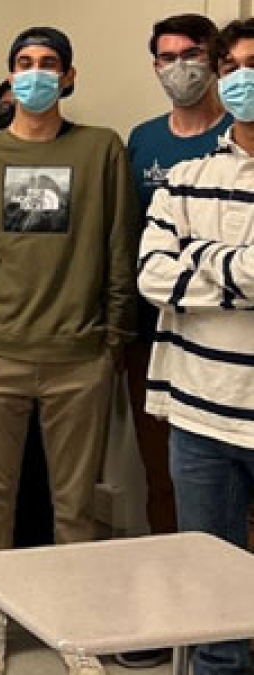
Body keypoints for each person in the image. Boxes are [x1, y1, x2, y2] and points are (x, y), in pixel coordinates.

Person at [0, 27, 138, 675]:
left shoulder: (101, 149)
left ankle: (76, 631)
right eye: (24, 64)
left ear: (69, 76)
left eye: (47, 64)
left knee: (75, 505)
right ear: (9, 80)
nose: (36, 75)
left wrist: (112, 339)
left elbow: (119, 248)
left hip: (79, 358)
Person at [138, 20, 254, 675]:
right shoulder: (182, 178)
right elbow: (152, 277)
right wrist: (239, 266)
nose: (241, 77)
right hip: (199, 413)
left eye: (252, 63)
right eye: (231, 65)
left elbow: (177, 273)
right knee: (210, 600)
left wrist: (202, 259)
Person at [118, 14, 229, 670]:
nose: (180, 66)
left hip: (230, 344)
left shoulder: (237, 137)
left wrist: (194, 269)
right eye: (167, 55)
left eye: (193, 54)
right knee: (166, 482)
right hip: (154, 338)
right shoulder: (143, 140)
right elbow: (140, 252)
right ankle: (180, 617)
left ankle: (232, 624)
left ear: (216, 62)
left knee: (231, 493)